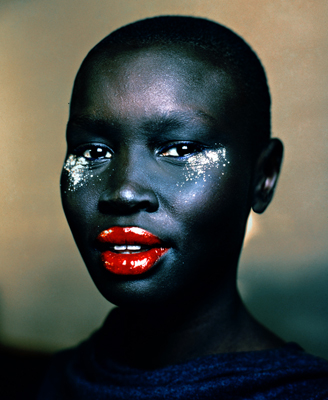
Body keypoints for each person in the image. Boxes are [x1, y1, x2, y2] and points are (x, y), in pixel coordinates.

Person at [38, 16, 328, 399]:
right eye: (94, 151)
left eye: (179, 150)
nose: (123, 192)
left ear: (262, 177)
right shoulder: (53, 381)